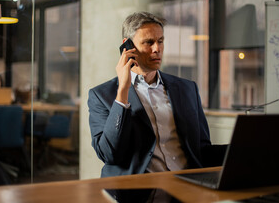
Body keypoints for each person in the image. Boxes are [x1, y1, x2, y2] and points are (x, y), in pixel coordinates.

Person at [88, 11, 227, 177]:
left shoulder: (187, 89)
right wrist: (123, 90)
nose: (157, 49)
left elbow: (202, 151)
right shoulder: (102, 96)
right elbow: (109, 154)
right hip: (137, 191)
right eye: (149, 42)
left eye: (160, 41)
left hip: (187, 185)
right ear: (127, 46)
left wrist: (245, 149)